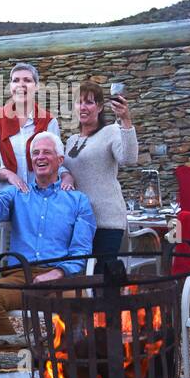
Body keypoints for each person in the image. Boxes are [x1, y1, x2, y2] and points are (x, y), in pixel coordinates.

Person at [0, 132, 95, 353]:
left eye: (46, 152)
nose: (40, 157)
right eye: (35, 153)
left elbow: (82, 250)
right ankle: (19, 357)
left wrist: (57, 273)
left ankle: (65, 362)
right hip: (21, 275)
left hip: (59, 277)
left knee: (79, 302)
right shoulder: (17, 193)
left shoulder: (78, 200)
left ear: (60, 160)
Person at [0, 62, 68, 257]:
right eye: (16, 80)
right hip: (1, 200)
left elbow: (57, 161)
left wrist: (67, 175)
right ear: (10, 86)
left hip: (38, 203)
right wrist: (6, 173)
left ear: (37, 86)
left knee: (34, 257)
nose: (21, 85)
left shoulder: (48, 121)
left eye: (27, 80)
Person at [63, 81, 138, 271]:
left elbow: (128, 159)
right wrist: (66, 175)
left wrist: (126, 121)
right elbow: (61, 168)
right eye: (79, 102)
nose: (83, 107)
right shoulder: (71, 141)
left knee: (102, 277)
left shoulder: (111, 131)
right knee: (79, 275)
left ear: (100, 107)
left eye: (89, 102)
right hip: (79, 221)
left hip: (106, 220)